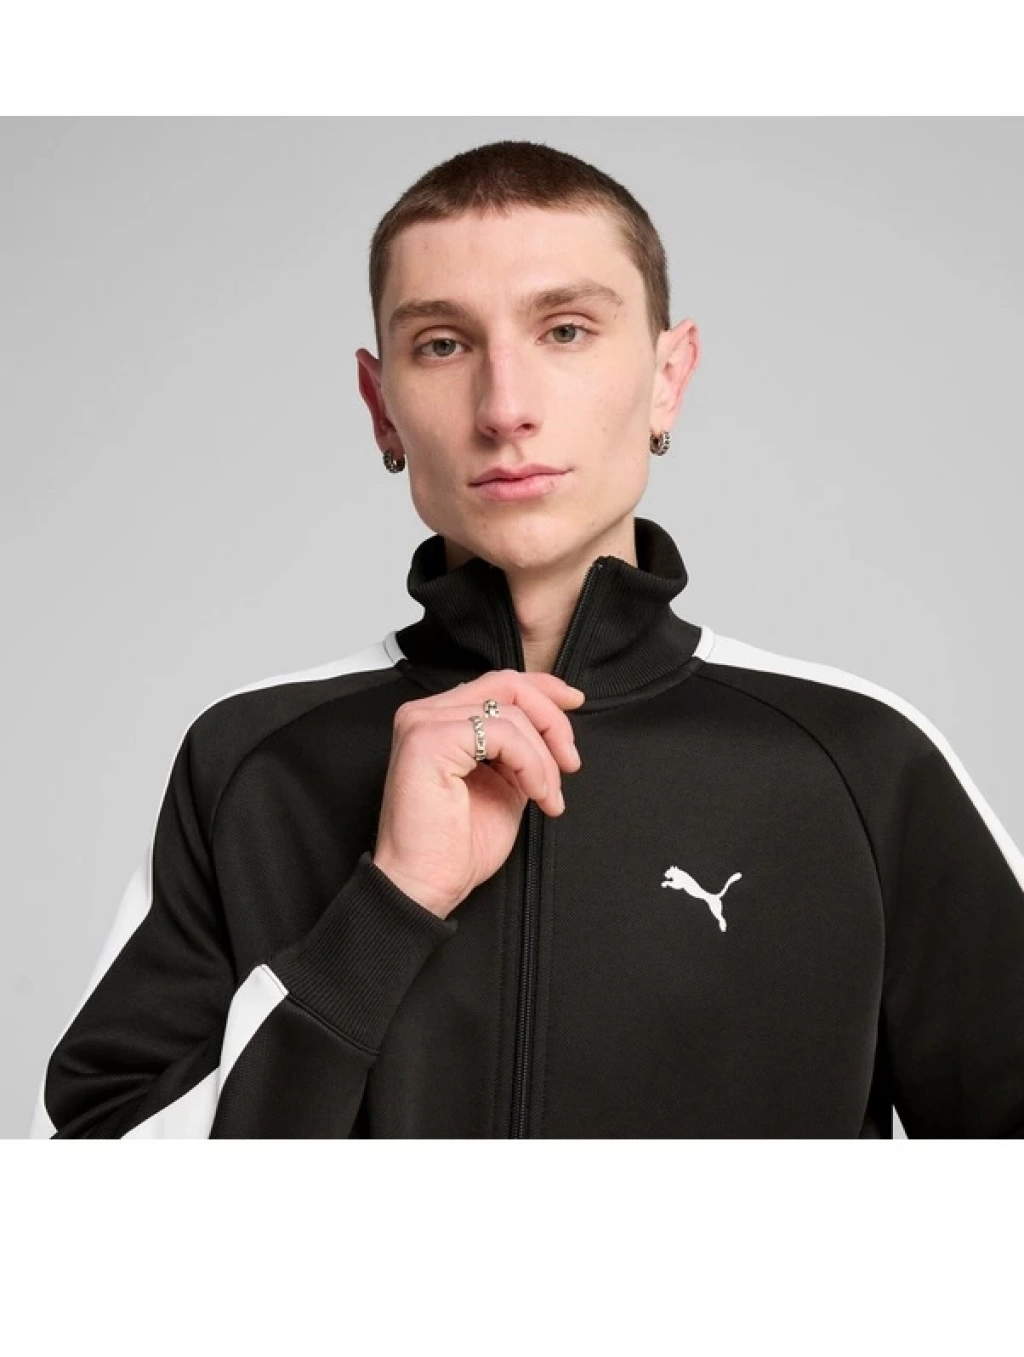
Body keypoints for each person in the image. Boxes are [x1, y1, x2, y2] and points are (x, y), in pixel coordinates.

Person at [30, 140, 1024, 1139]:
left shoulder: (862, 761)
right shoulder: (253, 763)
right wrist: (384, 909)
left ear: (667, 377)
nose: (505, 408)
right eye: (442, 345)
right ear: (381, 407)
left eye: (565, 329)